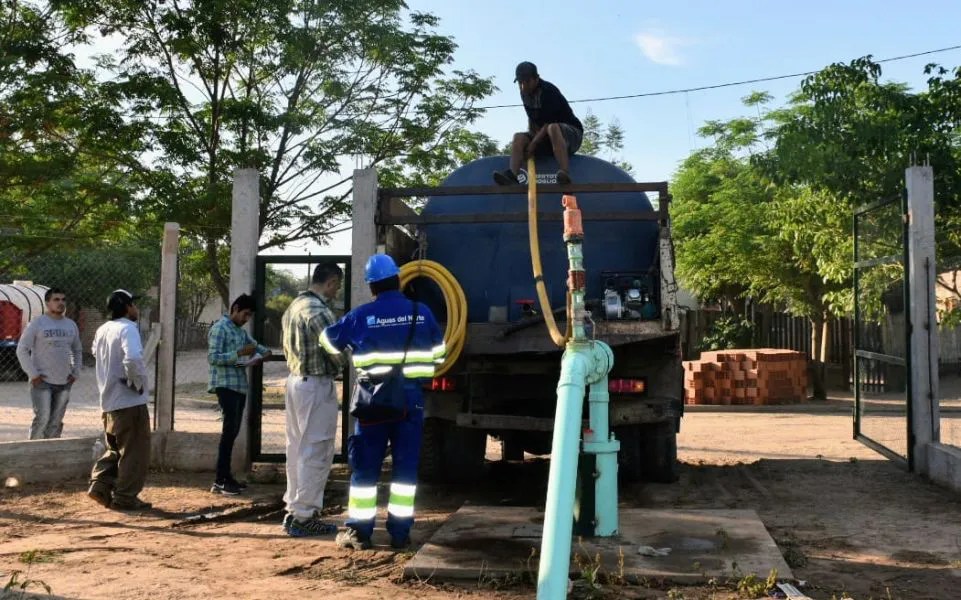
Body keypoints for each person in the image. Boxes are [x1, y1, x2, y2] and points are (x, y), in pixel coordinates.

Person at [322, 254, 446, 551]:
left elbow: (328, 341)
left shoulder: (361, 316)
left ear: (372, 286)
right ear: (398, 280)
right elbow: (439, 356)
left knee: (365, 468)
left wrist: (355, 344)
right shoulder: (422, 312)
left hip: (372, 403)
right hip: (410, 403)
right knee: (404, 472)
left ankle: (359, 534)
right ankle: (400, 535)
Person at [279, 263, 344, 537]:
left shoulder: (294, 306)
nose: (336, 292)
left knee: (296, 448)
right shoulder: (318, 311)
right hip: (316, 384)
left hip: (296, 381)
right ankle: (305, 516)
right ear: (330, 282)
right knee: (316, 450)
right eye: (337, 286)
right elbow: (337, 350)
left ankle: (295, 509)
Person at [87, 289, 152, 511]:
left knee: (114, 449)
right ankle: (125, 497)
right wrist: (136, 381)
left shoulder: (103, 329)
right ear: (126, 306)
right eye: (134, 304)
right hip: (129, 403)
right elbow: (133, 357)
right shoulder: (128, 329)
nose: (136, 308)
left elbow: (96, 353)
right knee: (135, 452)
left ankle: (100, 486)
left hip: (109, 402)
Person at [207, 293, 271, 495]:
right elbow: (213, 357)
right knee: (228, 433)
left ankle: (225, 477)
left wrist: (263, 353)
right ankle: (220, 479)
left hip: (239, 386)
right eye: (245, 314)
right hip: (225, 385)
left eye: (249, 316)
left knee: (232, 432)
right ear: (234, 308)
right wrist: (239, 354)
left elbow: (258, 348)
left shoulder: (240, 332)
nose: (246, 319)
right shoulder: (220, 328)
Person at [493, 61, 583, 187]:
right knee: (518, 137)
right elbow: (533, 119)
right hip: (546, 139)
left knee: (553, 128)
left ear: (536, 79)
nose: (523, 86)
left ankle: (564, 172)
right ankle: (513, 175)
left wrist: (533, 144)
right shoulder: (524, 94)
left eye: (527, 82)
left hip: (570, 136)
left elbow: (548, 123)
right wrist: (528, 141)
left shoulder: (549, 91)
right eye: (520, 83)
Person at [16, 287, 82, 440]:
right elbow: (22, 350)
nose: (61, 303)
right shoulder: (37, 323)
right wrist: (34, 375)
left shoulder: (71, 325)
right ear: (47, 303)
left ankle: (51, 456)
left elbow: (78, 350)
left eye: (63, 300)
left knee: (56, 422)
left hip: (64, 382)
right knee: (42, 419)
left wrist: (75, 372)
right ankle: (33, 455)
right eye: (56, 299)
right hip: (42, 382)